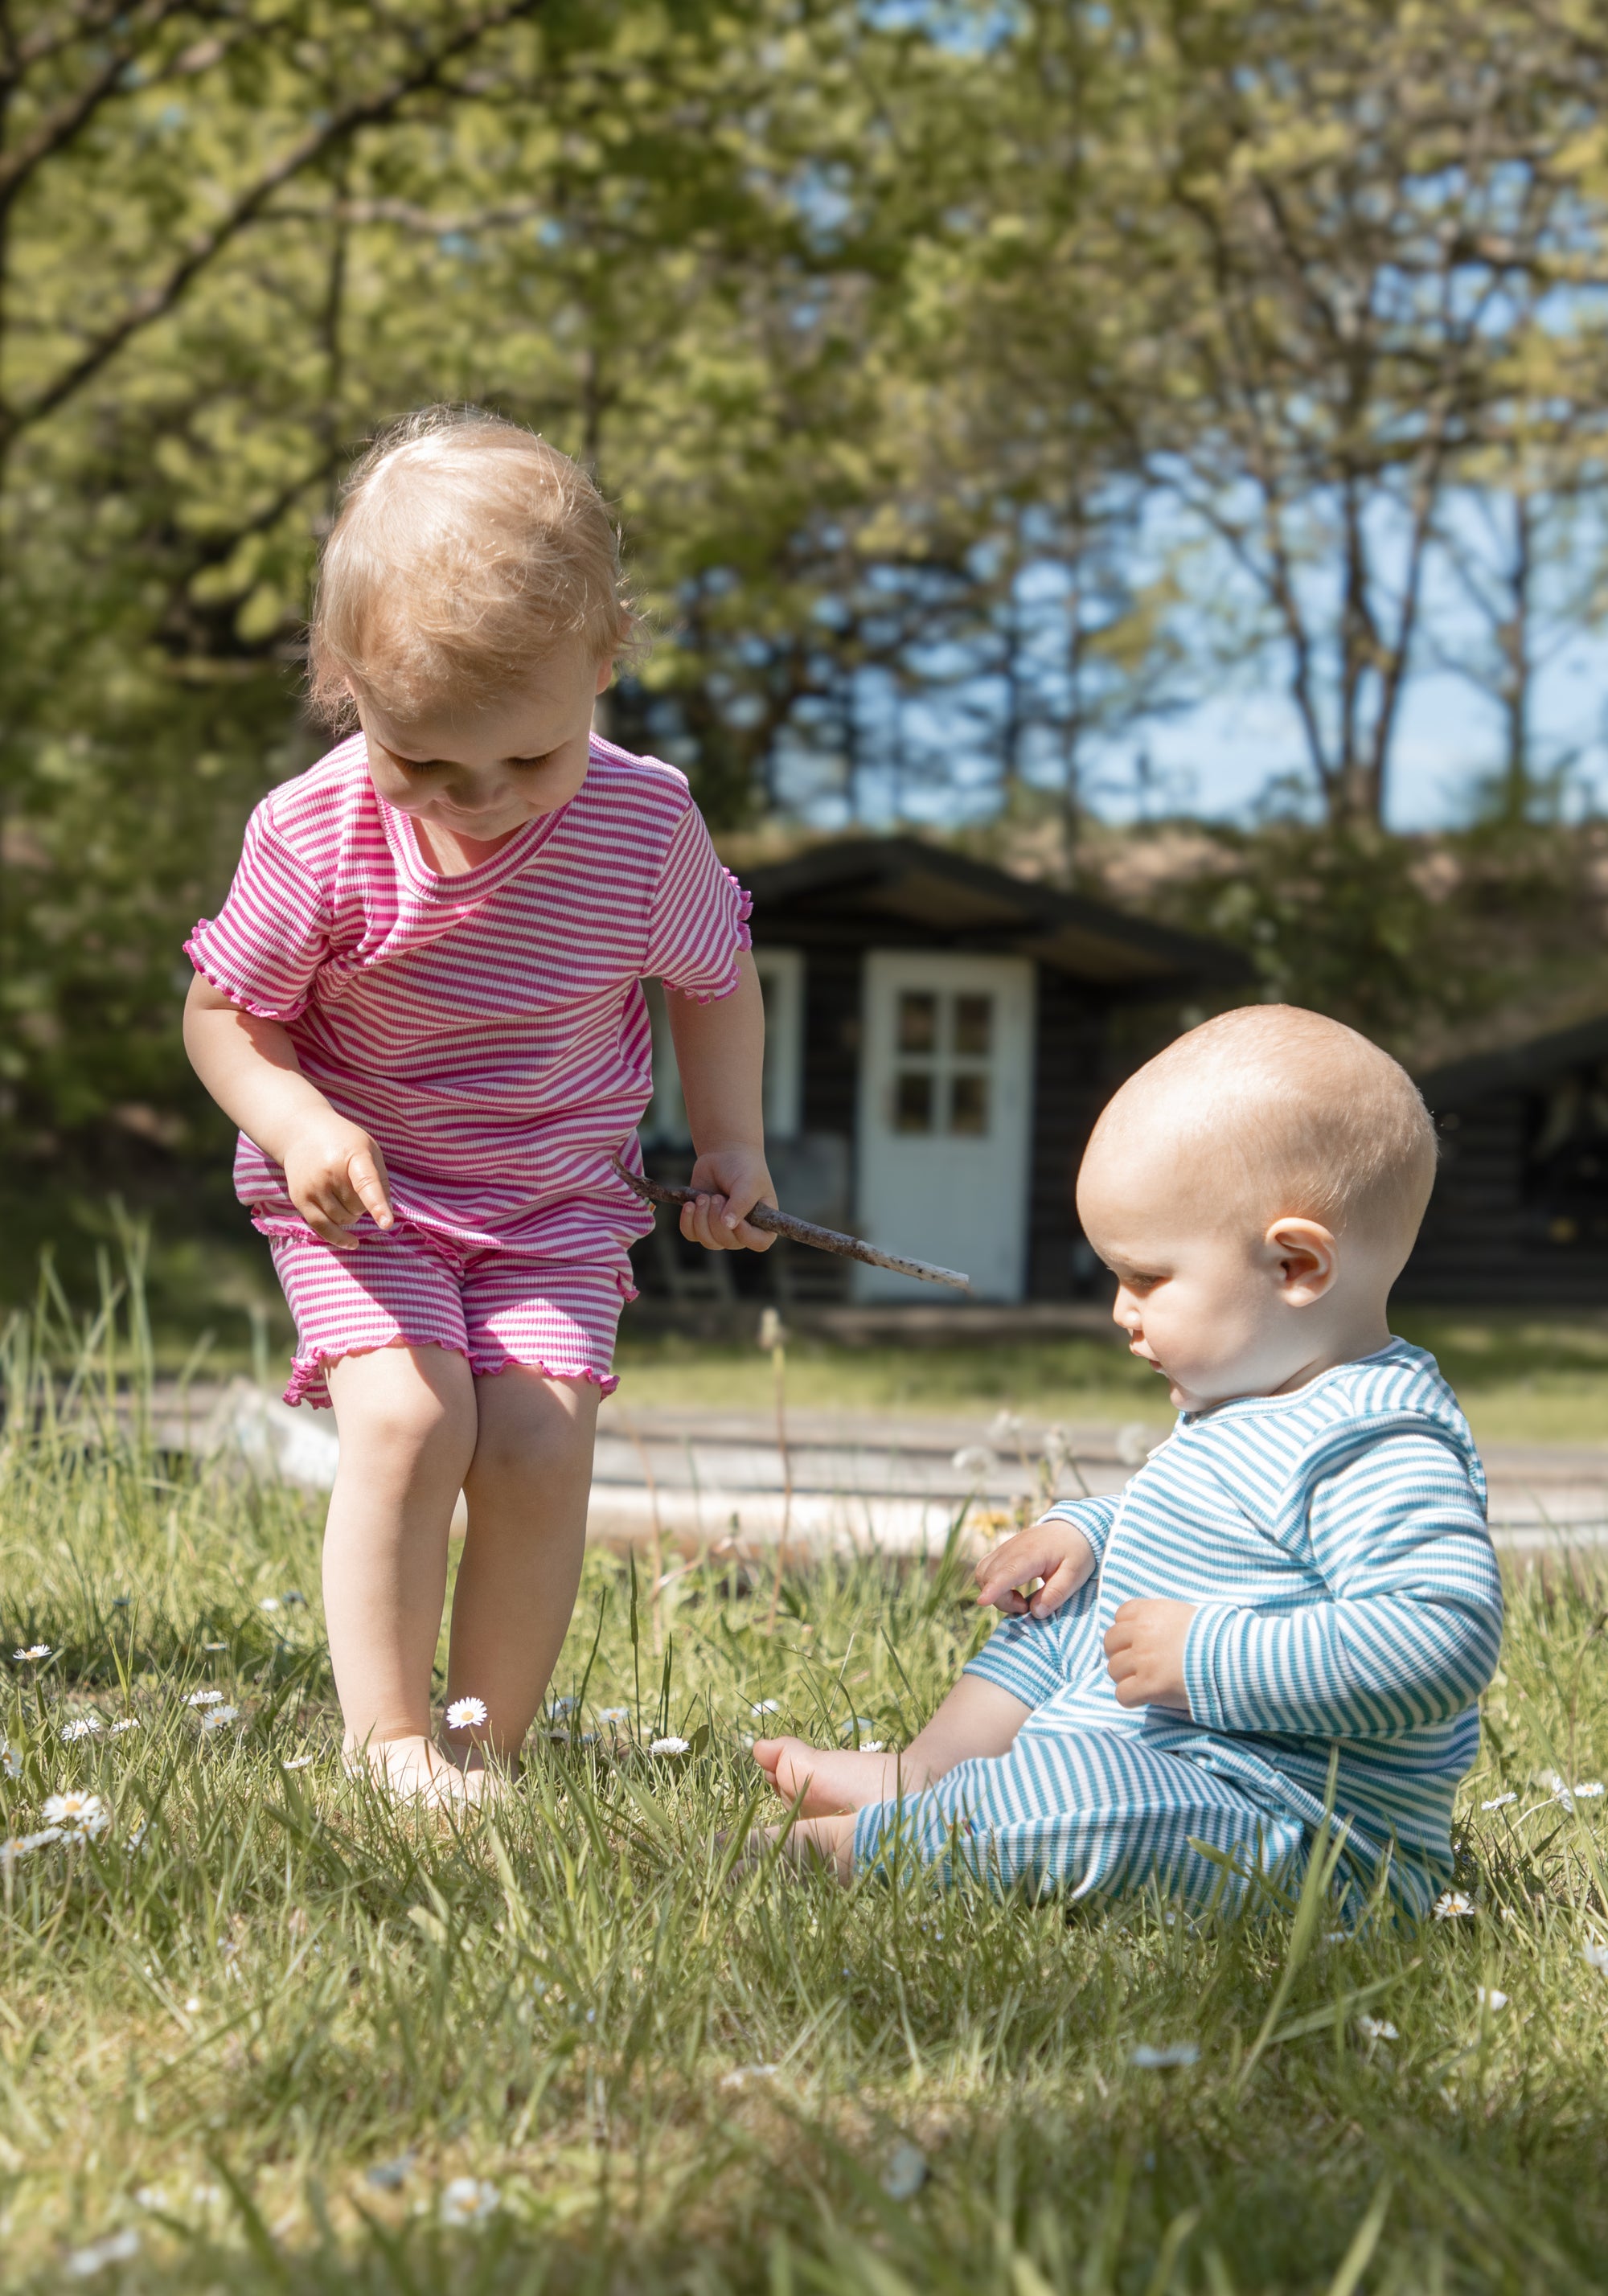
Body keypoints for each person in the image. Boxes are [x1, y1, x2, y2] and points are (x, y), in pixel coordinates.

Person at [184, 408, 773, 1802]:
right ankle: (389, 1745)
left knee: (535, 1439)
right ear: (346, 686)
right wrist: (294, 1122)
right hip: (364, 1188)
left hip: (555, 1200)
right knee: (408, 1419)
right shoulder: (316, 833)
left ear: (602, 668)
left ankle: (482, 1750)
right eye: (433, 766)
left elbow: (715, 976)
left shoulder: (643, 825)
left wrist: (731, 1138)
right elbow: (226, 1014)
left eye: (531, 759)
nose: (487, 799)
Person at [753, 1006, 1504, 1916]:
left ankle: (869, 1846)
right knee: (1071, 1596)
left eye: (1146, 1278)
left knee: (1095, 1803)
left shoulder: (1374, 1439)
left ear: (1295, 1267)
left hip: (1293, 1832)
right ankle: (927, 1774)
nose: (1120, 1311)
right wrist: (1086, 1527)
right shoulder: (1256, 1399)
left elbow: (1439, 1637)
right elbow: (1206, 1532)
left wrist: (1207, 1656)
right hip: (1174, 1761)